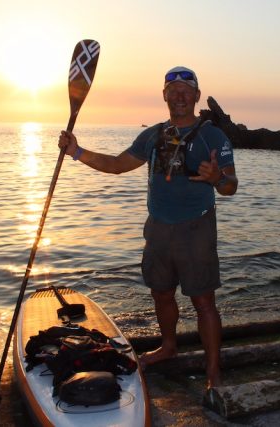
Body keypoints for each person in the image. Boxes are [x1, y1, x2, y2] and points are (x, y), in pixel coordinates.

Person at [58, 66, 238, 389]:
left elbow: (231, 186)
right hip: (157, 229)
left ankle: (213, 371)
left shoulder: (213, 135)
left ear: (197, 97)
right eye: (174, 91)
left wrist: (218, 179)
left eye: (187, 90)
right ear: (165, 96)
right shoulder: (152, 135)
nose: (180, 96)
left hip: (196, 228)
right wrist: (76, 151)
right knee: (161, 293)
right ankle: (168, 347)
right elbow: (116, 165)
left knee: (204, 301)